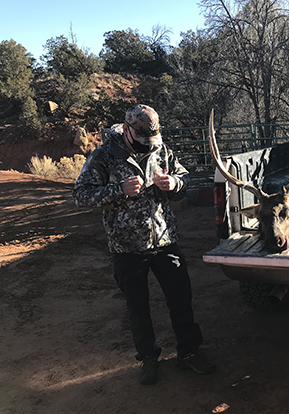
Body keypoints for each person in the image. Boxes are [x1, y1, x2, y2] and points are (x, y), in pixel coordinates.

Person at [74, 104, 215, 385]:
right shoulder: (103, 157)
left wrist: (173, 183)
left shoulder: (161, 150)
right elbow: (80, 195)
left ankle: (188, 353)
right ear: (127, 130)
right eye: (142, 141)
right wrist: (118, 190)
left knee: (181, 299)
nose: (148, 147)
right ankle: (148, 358)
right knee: (138, 307)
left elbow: (186, 179)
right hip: (127, 247)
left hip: (164, 240)